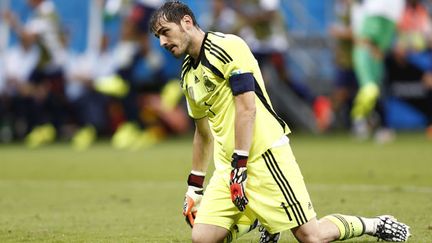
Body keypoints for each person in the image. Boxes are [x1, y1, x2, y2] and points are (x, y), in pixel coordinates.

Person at [149, 1, 411, 242]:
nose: (162, 41)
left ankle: (375, 224)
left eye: (165, 31)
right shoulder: (186, 73)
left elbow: (247, 108)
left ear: (186, 22)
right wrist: (194, 186)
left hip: (265, 156)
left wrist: (240, 165)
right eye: (157, 37)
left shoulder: (228, 46)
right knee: (202, 238)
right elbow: (202, 132)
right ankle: (260, 220)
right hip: (228, 167)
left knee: (311, 236)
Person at [350, 0, 405, 140]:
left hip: (370, 54)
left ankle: (369, 123)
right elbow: (361, 38)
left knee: (373, 90)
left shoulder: (370, 11)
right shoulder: (359, 10)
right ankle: (366, 123)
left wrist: (375, 48)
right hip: (368, 53)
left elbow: (364, 38)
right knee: (372, 91)